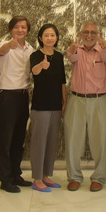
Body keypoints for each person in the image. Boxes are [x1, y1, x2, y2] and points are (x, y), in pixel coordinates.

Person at [64, 21, 106, 192]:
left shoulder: (103, 50)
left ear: (98, 34)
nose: (89, 35)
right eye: (86, 32)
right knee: (72, 139)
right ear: (81, 34)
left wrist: (104, 46)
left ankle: (99, 178)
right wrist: (72, 49)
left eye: (93, 32)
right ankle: (74, 177)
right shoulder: (75, 50)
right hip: (77, 99)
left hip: (99, 100)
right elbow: (71, 57)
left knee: (101, 140)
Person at [0, 16, 33, 193]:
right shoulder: (4, 45)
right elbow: (2, 52)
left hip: (23, 95)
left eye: (23, 27)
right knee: (5, 140)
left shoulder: (30, 48)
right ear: (11, 29)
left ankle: (16, 174)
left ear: (27, 30)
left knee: (19, 138)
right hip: (7, 96)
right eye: (17, 27)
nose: (20, 30)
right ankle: (5, 179)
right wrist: (10, 45)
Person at [29, 24, 67, 192]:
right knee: (39, 142)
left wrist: (64, 102)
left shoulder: (59, 57)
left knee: (51, 142)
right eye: (46, 35)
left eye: (52, 35)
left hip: (56, 105)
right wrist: (41, 66)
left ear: (56, 38)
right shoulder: (36, 55)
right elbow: (34, 72)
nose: (50, 38)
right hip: (40, 106)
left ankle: (46, 175)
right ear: (40, 38)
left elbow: (62, 81)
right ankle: (37, 179)